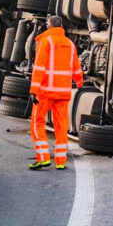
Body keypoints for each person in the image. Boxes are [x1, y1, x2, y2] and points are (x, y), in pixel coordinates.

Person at [28, 15, 83, 170]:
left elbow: (39, 68)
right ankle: (60, 161)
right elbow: (76, 67)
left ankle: (43, 157)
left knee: (37, 123)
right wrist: (79, 82)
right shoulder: (70, 44)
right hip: (63, 93)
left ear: (49, 26)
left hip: (45, 92)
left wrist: (33, 90)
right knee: (61, 127)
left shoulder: (46, 42)